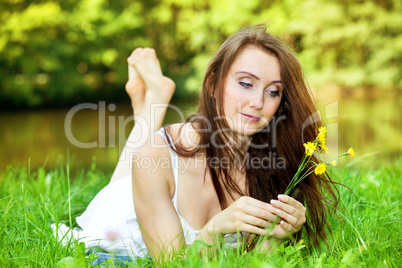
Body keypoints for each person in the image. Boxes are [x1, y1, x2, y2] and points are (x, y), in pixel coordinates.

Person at [52, 24, 339, 263]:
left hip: (158, 175)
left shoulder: (275, 164)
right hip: (121, 222)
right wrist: (215, 229)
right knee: (139, 163)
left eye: (273, 91)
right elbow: (172, 263)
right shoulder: (156, 154)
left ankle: (151, 101)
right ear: (214, 84)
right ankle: (152, 102)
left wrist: (279, 235)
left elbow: (251, 262)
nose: (258, 103)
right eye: (245, 83)